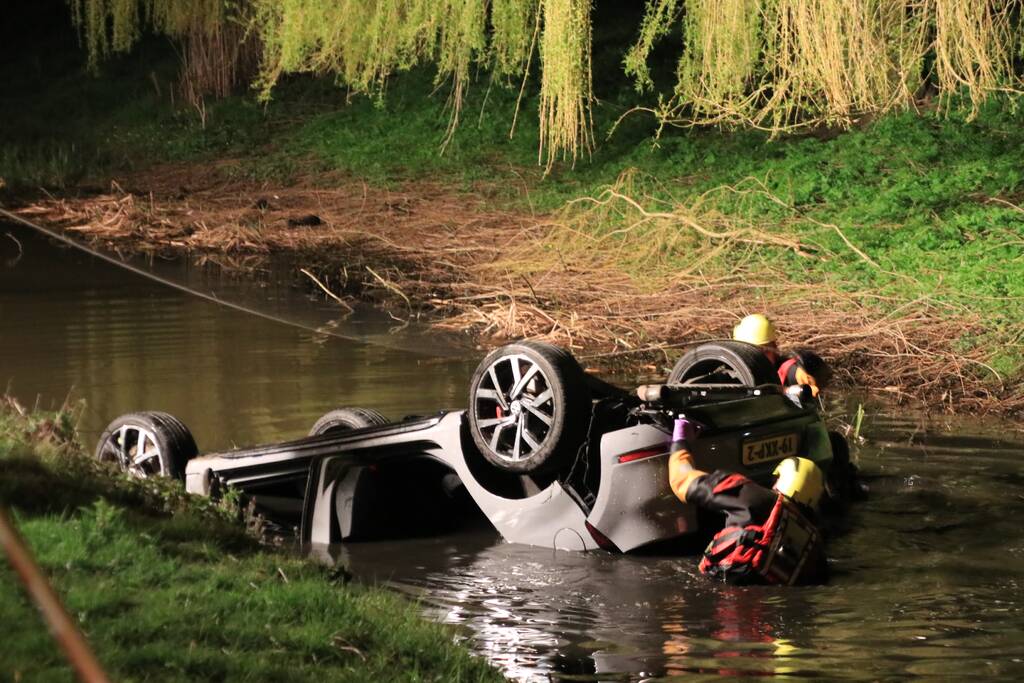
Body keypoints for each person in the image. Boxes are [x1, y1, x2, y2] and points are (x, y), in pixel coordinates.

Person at [667, 416, 828, 585]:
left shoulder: (751, 496)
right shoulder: (816, 547)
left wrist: (680, 441)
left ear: (784, 478)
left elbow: (682, 480)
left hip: (722, 591)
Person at [732, 313, 831, 397]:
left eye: (763, 352)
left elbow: (813, 393)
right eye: (749, 354)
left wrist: (787, 390)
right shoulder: (735, 375)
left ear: (774, 348)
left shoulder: (793, 372)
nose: (757, 359)